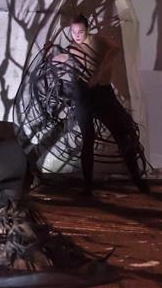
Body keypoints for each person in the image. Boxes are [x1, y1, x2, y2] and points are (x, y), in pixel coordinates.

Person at [50, 14, 148, 195]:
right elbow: (59, 60)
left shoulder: (98, 41)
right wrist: (52, 54)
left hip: (102, 95)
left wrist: (99, 73)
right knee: (87, 139)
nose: (76, 35)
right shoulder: (72, 49)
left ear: (87, 29)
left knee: (121, 135)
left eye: (80, 31)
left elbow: (115, 50)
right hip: (83, 97)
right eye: (73, 32)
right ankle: (87, 188)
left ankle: (138, 181)